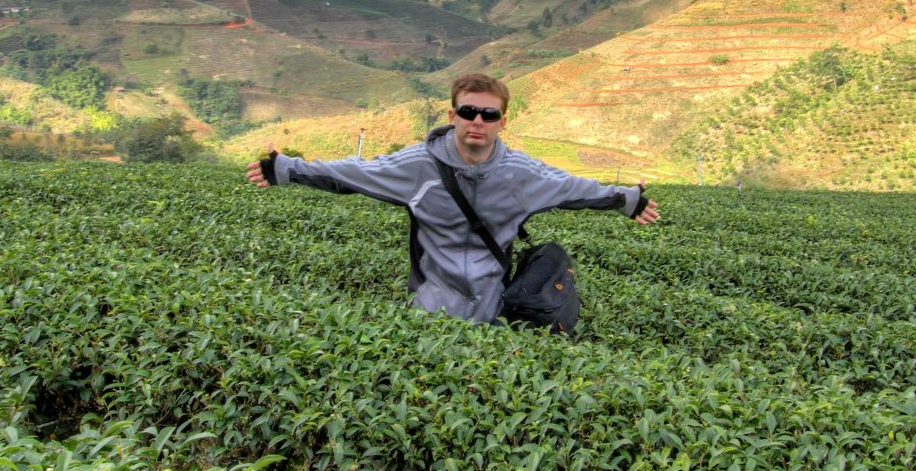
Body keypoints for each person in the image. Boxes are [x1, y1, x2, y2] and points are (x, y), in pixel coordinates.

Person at [245, 72, 660, 324]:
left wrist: (626, 199)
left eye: (488, 114)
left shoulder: (521, 174)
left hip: (493, 309)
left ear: (502, 122)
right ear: (452, 116)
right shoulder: (416, 165)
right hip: (428, 307)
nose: (477, 121)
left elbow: (574, 188)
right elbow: (353, 174)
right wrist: (286, 169)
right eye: (467, 112)